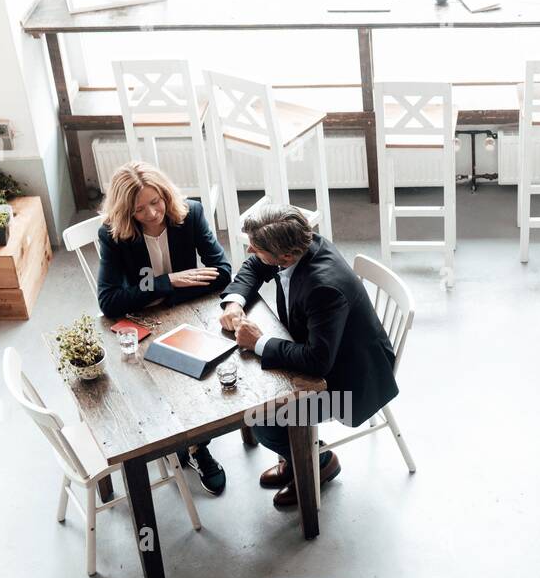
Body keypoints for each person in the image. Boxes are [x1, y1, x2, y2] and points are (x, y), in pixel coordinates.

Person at [218, 205, 399, 508]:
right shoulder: (301, 243)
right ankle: (296, 456)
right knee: (262, 395)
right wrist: (234, 302)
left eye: (256, 246)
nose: (250, 249)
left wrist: (260, 341)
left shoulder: (324, 287)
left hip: (352, 384)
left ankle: (319, 459)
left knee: (262, 420)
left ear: (285, 257)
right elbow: (254, 266)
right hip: (331, 353)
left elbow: (317, 361)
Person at [96, 162, 232, 494]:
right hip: (144, 325)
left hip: (182, 314)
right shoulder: (113, 234)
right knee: (155, 386)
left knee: (206, 377)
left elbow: (223, 272)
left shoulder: (191, 214)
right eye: (140, 209)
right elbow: (109, 302)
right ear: (126, 212)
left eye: (155, 202)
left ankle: (196, 446)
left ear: (165, 195)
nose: (153, 213)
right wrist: (167, 281)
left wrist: (166, 295)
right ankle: (188, 444)